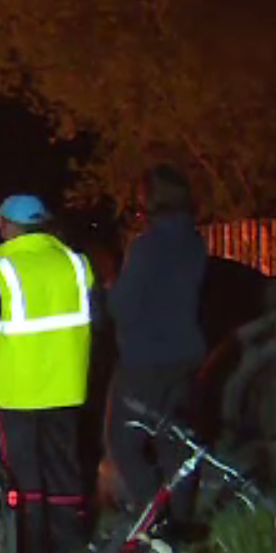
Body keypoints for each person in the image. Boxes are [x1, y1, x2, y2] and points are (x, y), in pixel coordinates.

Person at [0, 195, 103, 553]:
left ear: (7, 225)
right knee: (65, 472)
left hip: (16, 395)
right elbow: (100, 323)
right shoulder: (78, 266)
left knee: (23, 481)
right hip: (67, 390)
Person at [106, 165, 207, 520]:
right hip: (186, 355)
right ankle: (180, 522)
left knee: (124, 441)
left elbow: (125, 307)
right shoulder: (194, 243)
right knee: (174, 442)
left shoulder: (145, 248)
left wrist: (108, 293)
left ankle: (153, 521)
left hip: (146, 359)